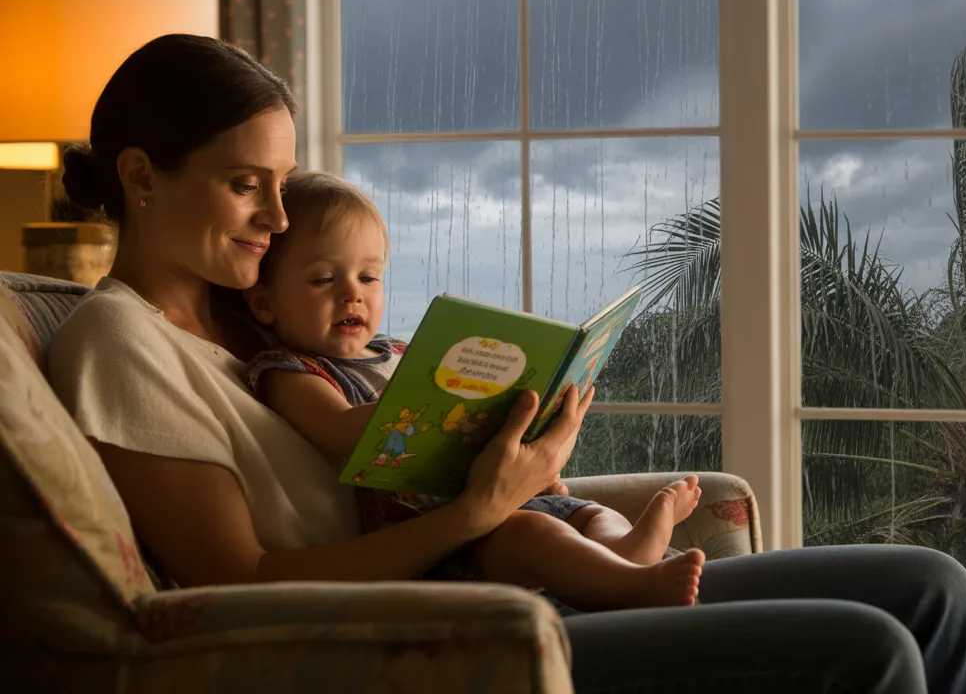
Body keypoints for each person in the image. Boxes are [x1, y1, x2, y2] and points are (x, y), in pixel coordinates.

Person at [48, 34, 966, 693]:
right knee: (867, 651)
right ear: (140, 177)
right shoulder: (119, 341)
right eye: (244, 186)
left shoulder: (256, 314)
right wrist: (478, 511)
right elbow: (242, 586)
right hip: (449, 632)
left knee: (932, 588)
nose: (280, 220)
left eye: (281, 185)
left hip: (510, 570)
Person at [240, 169, 705, 610]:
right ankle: (629, 584)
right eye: (324, 279)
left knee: (590, 516)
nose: (352, 294)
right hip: (445, 537)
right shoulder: (288, 372)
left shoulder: (398, 352)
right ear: (264, 302)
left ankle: (628, 550)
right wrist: (445, 404)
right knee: (535, 535)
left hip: (508, 498)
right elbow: (343, 430)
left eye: (368, 277)